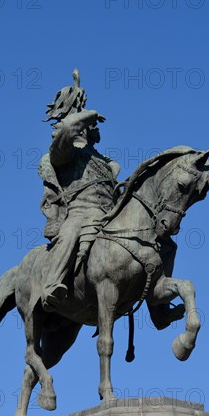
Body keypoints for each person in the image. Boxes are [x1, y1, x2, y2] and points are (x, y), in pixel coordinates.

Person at [39, 106, 120, 310]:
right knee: (70, 234)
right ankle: (51, 286)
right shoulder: (66, 153)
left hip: (109, 215)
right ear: (82, 127)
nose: (98, 128)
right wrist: (90, 114)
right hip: (80, 212)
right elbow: (66, 127)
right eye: (93, 125)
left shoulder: (103, 161)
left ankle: (158, 306)